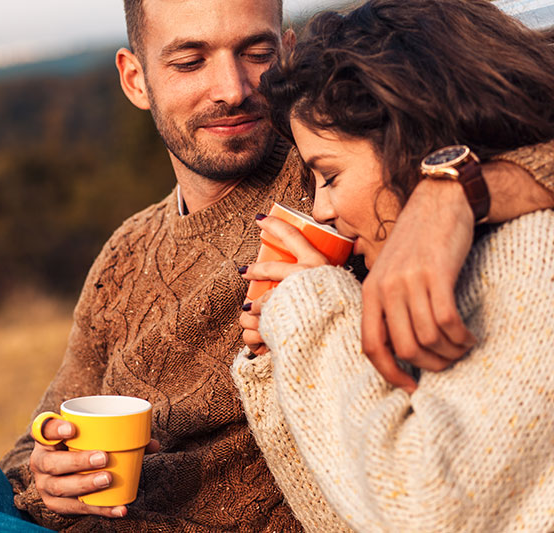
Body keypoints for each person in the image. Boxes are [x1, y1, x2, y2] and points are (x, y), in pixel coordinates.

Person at [0, 0, 553, 531]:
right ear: (136, 78)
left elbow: (512, 104)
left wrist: (456, 190)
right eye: (191, 60)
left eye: (255, 52)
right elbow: (33, 445)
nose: (233, 88)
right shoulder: (124, 254)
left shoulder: (337, 173)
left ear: (288, 51)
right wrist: (47, 469)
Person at [233, 0, 554, 531]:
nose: (321, 210)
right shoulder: (436, 277)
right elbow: (346, 516)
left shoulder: (531, 255)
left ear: (411, 137)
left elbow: (426, 512)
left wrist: (316, 314)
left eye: (329, 176)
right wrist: (278, 359)